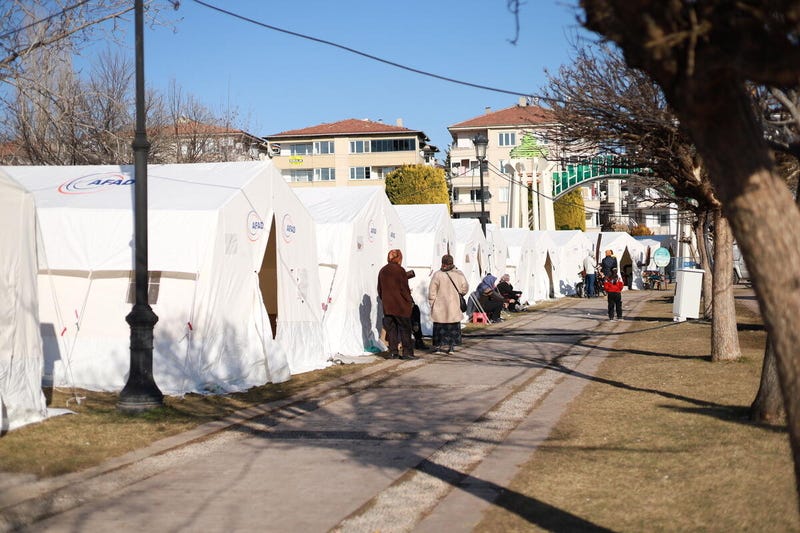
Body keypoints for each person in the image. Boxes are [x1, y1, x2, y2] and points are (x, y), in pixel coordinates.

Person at [377, 249, 415, 359]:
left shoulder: (382, 270)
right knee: (405, 329)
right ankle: (407, 353)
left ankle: (393, 352)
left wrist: (385, 299)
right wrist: (409, 300)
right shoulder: (400, 270)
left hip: (388, 306)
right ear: (399, 258)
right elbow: (404, 289)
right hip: (400, 306)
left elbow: (379, 289)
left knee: (391, 329)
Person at [428, 254, 469, 354]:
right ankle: (451, 347)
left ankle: (438, 347)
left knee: (439, 327)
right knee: (452, 328)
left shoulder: (437, 274)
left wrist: (432, 302)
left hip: (440, 306)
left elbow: (432, 291)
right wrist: (459, 293)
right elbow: (465, 288)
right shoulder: (459, 274)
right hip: (453, 306)